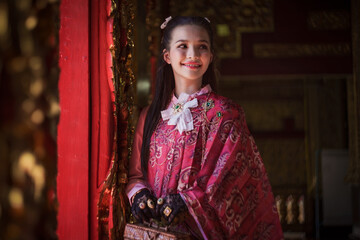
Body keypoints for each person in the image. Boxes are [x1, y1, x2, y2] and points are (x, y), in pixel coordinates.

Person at [125, 16, 283, 239]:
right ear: (167, 56)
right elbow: (136, 175)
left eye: (202, 47)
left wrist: (187, 202)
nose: (193, 55)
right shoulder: (149, 116)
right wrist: (139, 195)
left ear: (210, 56)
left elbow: (234, 183)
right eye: (183, 46)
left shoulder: (226, 113)